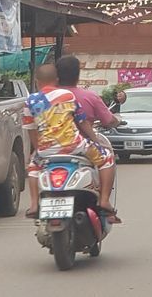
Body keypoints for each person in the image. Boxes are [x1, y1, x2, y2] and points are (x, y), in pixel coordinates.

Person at [23, 63, 118, 221]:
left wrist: (38, 150)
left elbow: (31, 130)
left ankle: (34, 204)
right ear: (57, 80)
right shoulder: (67, 96)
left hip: (46, 150)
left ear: (37, 81)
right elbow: (82, 122)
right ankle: (104, 200)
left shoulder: (31, 101)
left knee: (33, 167)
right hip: (74, 147)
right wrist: (96, 141)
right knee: (107, 158)